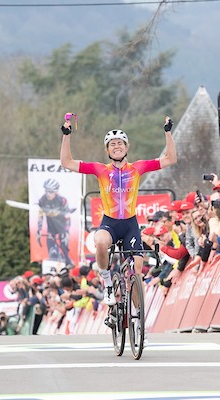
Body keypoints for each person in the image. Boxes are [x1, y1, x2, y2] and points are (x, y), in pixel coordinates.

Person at [60, 115, 177, 306]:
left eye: (120, 143)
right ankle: (107, 281)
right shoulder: (100, 170)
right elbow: (67, 162)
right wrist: (66, 135)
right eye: (112, 144)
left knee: (137, 273)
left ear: (127, 147)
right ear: (107, 150)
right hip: (110, 223)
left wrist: (168, 133)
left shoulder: (138, 168)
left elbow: (171, 158)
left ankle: (139, 324)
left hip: (130, 225)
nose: (116, 146)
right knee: (100, 241)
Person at [37, 178, 74, 265]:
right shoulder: (42, 200)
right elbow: (40, 216)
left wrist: (67, 230)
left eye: (51, 192)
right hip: (51, 228)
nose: (48, 194)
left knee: (64, 247)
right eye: (46, 191)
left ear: (56, 191)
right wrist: (39, 230)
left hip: (62, 227)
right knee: (51, 249)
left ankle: (68, 261)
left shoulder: (62, 200)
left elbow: (67, 216)